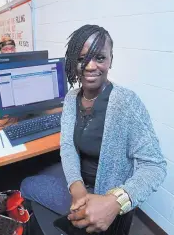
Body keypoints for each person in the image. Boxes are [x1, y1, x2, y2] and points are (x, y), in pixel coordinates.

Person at [20, 24, 167, 234]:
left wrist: (115, 201)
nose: (90, 66)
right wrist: (76, 186)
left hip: (106, 199)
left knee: (26, 184)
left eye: (99, 58)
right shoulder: (72, 99)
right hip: (81, 188)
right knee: (30, 182)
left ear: (111, 60)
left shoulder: (125, 102)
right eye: (81, 59)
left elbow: (155, 166)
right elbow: (68, 145)